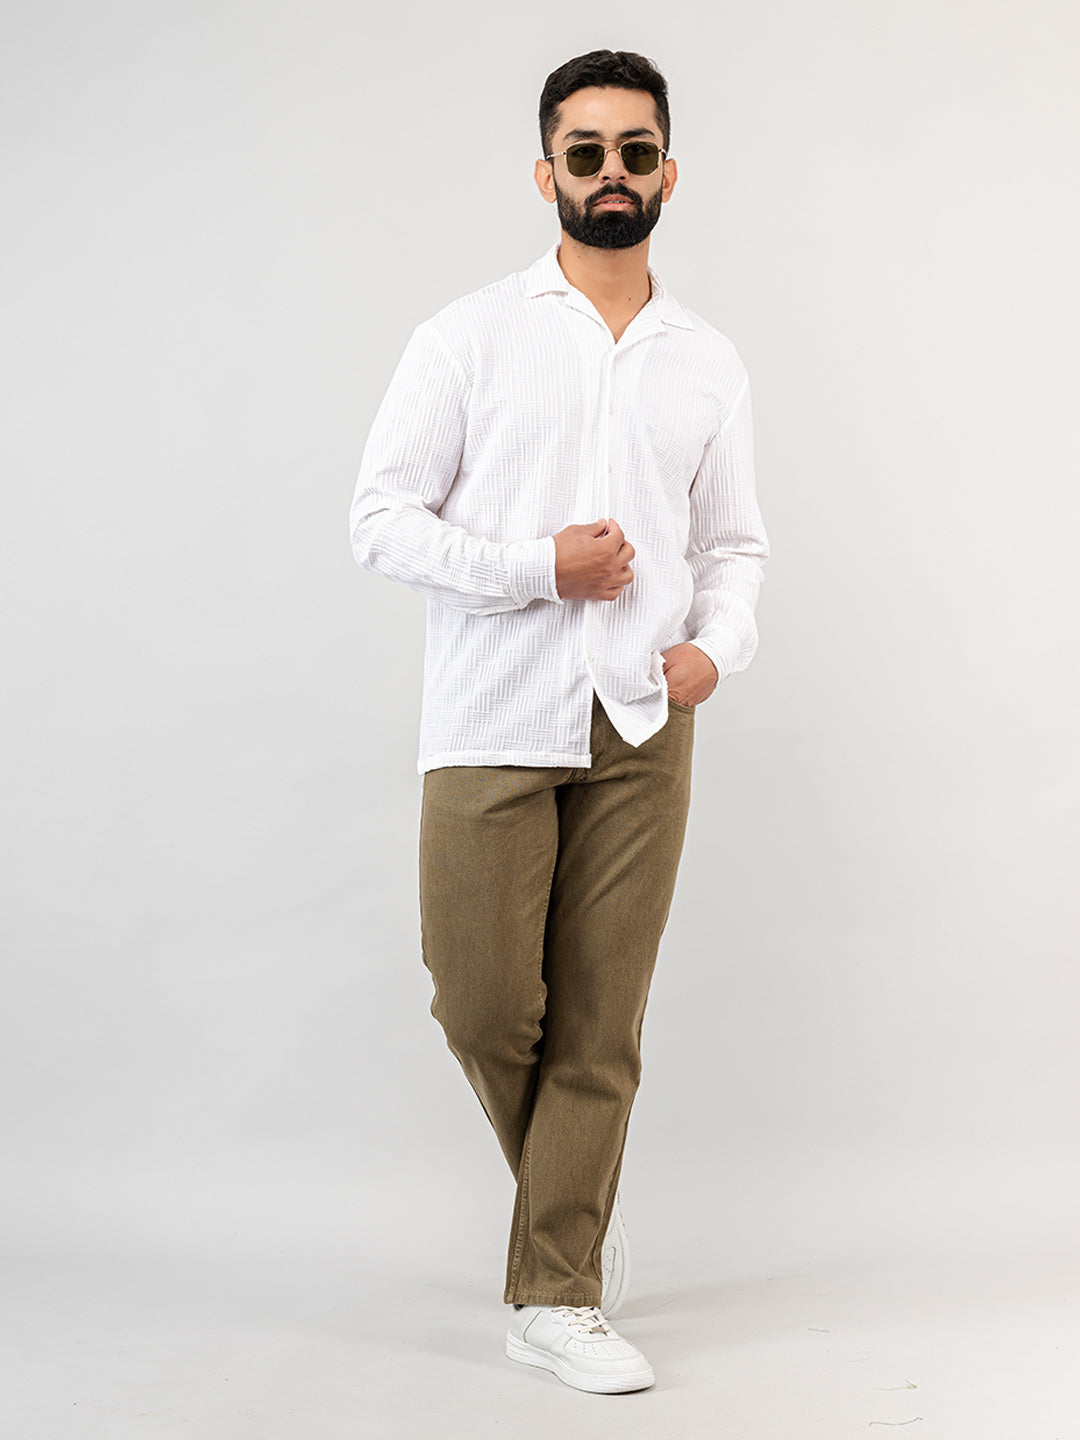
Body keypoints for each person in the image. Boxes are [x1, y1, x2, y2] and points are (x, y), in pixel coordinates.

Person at [349, 49, 768, 1394]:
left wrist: (716, 648)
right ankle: (569, 1208)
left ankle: (556, 1291)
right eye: (585, 152)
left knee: (601, 1021)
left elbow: (735, 544)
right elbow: (379, 521)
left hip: (644, 721)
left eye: (635, 150)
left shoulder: (706, 362)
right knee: (481, 1002)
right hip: (493, 714)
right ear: (548, 176)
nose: (611, 173)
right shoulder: (466, 337)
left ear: (668, 172)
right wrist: (543, 568)